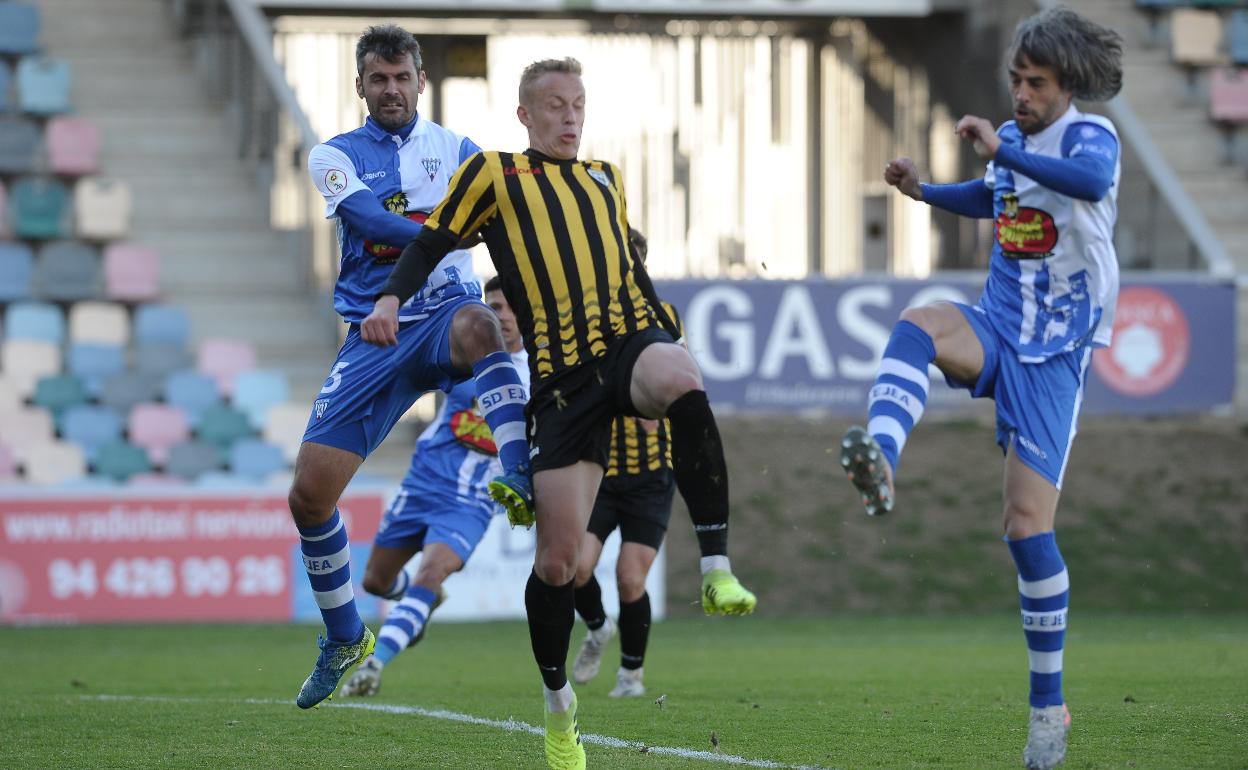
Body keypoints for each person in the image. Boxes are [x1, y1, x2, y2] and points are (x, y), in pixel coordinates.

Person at [360, 58, 755, 770]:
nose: (570, 117)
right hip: (563, 382)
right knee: (558, 565)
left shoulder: (605, 178)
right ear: (525, 115)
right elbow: (432, 239)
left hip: (627, 344)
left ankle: (718, 564)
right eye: (554, 105)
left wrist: (662, 326)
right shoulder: (496, 174)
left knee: (683, 380)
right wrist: (389, 297)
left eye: (578, 104)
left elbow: (630, 271)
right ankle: (557, 707)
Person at [839, 8, 1122, 770]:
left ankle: (1048, 710)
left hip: (1056, 354)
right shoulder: (1015, 139)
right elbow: (991, 194)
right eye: (1016, 80)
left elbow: (1087, 182)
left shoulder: (1091, 140)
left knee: (1026, 531)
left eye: (1035, 83)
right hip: (997, 324)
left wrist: (1008, 151)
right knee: (921, 321)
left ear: (1068, 86)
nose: (1021, 93)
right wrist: (924, 190)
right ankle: (883, 457)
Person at [291, 25, 533, 710]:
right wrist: (453, 229)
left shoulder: (460, 152)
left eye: (402, 77)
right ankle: (344, 636)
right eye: (378, 79)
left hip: (443, 317)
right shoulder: (334, 155)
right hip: (375, 332)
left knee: (483, 323)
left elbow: (508, 224)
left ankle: (516, 472)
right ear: (361, 86)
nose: (391, 89)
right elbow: (370, 221)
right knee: (308, 498)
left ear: (420, 81)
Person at [339, 276, 529, 697]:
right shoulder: (465, 354)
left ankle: (375, 664)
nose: (503, 317)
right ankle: (424, 599)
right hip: (423, 482)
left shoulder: (539, 376)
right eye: (494, 307)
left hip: (473, 500)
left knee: (431, 569)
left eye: (511, 308)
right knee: (374, 580)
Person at [570, 229, 681, 699]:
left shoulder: (664, 317)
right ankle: (598, 628)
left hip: (650, 477)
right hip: (600, 470)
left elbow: (680, 378)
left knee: (629, 576)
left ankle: (631, 676)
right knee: (575, 567)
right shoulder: (587, 318)